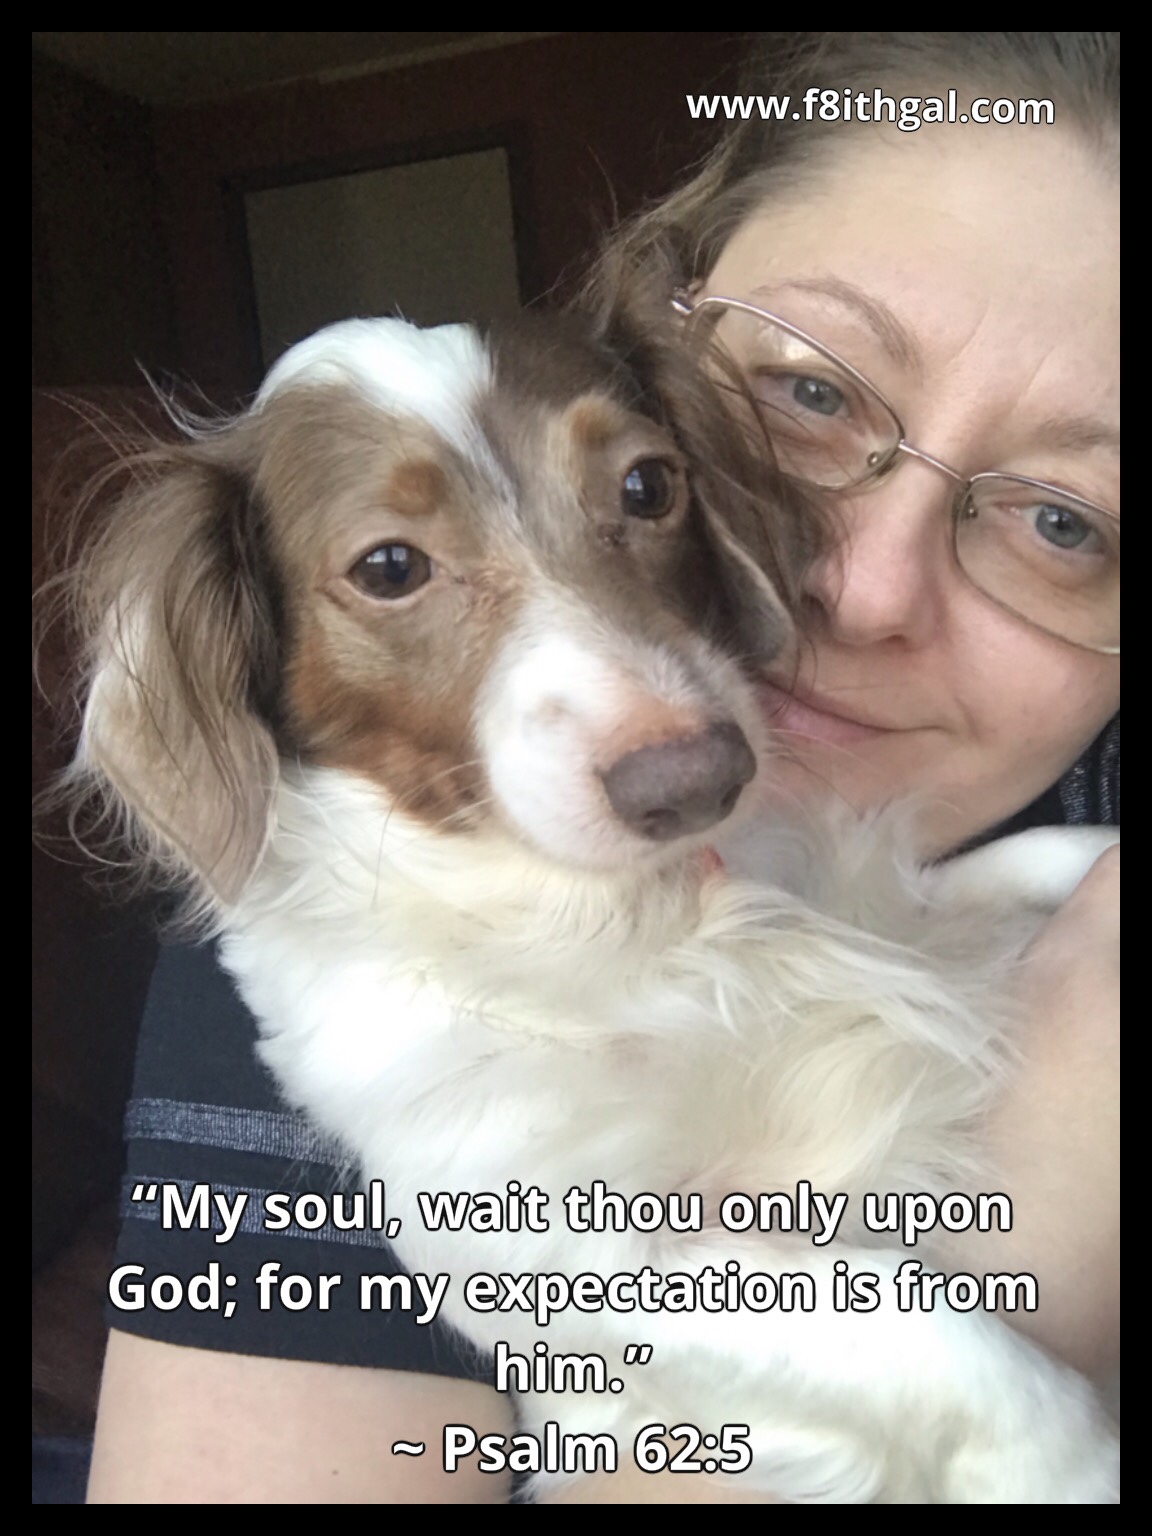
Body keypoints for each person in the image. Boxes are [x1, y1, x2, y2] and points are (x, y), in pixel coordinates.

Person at [86, 33, 1119, 1504]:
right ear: (685, 330)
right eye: (812, 393)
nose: (858, 590)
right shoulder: (331, 921)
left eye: (1070, 519)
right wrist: (1037, 1299)